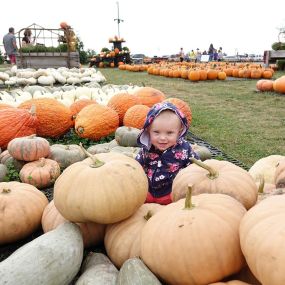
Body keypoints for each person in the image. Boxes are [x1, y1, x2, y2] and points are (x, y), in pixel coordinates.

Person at [135, 102, 199, 205]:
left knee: (169, 215)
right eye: (156, 132)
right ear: (148, 131)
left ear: (179, 131)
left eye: (169, 133)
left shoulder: (184, 149)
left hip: (171, 194)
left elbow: (195, 167)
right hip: (148, 192)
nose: (162, 138)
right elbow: (137, 166)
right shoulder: (146, 149)